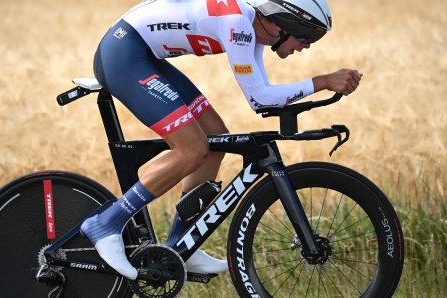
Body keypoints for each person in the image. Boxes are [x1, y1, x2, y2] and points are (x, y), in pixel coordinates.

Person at [81, 0, 363, 280]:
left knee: (217, 141)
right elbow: (260, 99)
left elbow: (262, 96)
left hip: (145, 56)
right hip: (124, 54)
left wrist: (319, 90)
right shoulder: (238, 23)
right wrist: (323, 81)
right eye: (308, 35)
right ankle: (106, 224)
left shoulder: (255, 30)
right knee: (191, 149)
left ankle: (181, 246)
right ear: (282, 24)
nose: (307, 45)